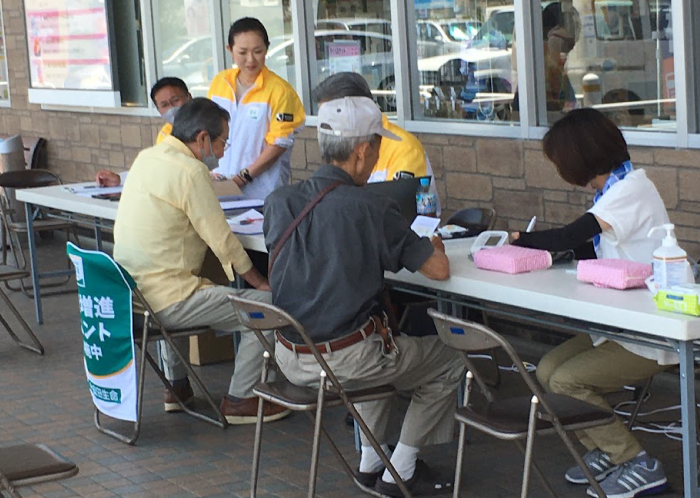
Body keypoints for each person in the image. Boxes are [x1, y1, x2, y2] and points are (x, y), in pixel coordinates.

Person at [264, 96, 465, 497]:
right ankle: (401, 469)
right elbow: (438, 271)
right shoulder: (369, 206)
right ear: (362, 151)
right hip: (347, 359)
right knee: (448, 361)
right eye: (376, 145)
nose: (376, 155)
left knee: (378, 344)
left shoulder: (280, 201)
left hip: (290, 354)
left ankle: (372, 461)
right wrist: (434, 247)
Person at [512, 108, 671, 498]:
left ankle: (636, 461)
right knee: (548, 370)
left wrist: (521, 240)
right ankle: (604, 448)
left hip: (651, 331)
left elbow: (572, 235)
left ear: (577, 158)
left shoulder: (631, 188)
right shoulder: (615, 189)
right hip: (622, 321)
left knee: (567, 380)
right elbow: (590, 244)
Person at [113, 97, 288, 425]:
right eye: (223, 141)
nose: (223, 151)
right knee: (268, 307)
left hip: (132, 296)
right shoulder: (191, 171)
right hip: (168, 302)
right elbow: (223, 241)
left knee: (182, 276)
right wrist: (260, 282)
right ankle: (242, 398)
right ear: (203, 139)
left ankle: (176, 388)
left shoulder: (147, 158)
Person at [312, 71, 441, 215]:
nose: (326, 124)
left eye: (331, 115)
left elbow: (401, 213)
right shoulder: (336, 142)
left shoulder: (404, 148)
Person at [208, 17, 305, 199]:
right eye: (242, 52)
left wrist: (243, 178)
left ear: (267, 49)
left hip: (262, 192)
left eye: (258, 51)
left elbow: (278, 145)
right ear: (230, 50)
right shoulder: (219, 83)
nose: (250, 60)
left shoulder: (280, 90)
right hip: (219, 184)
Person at [95, 77, 192, 187]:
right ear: (158, 110)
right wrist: (120, 179)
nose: (171, 108)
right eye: (164, 105)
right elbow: (158, 170)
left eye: (175, 100)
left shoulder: (207, 123)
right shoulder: (165, 134)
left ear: (189, 97)